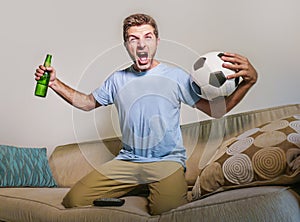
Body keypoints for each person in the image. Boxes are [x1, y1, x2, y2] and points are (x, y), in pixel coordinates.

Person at [34, 13, 258, 215]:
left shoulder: (176, 77)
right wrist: (54, 83)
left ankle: (157, 186)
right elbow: (86, 103)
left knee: (166, 210)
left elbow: (216, 111)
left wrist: (248, 83)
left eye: (148, 37)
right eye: (133, 39)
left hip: (166, 162)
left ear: (157, 42)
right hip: (128, 161)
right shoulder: (117, 79)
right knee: (73, 200)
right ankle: (140, 185)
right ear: (126, 45)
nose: (141, 45)